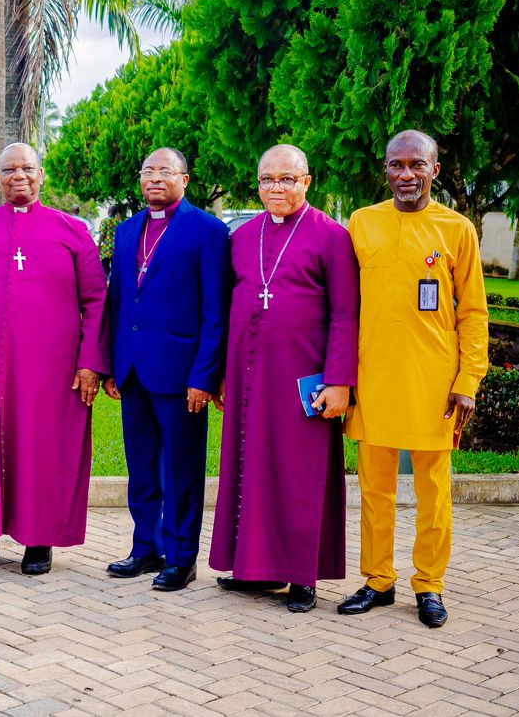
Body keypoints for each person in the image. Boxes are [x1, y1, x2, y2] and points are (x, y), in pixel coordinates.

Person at [0, 143, 107, 576]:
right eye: (9, 170)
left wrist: (90, 363)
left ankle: (39, 539)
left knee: (42, 446)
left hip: (50, 370)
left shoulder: (72, 231)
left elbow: (97, 299)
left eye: (27, 168)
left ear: (41, 175)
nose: (19, 176)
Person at [339, 130, 488, 628]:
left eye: (416, 166)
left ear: (434, 171)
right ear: (385, 170)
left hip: (434, 384)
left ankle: (430, 584)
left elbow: (473, 314)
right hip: (373, 378)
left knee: (433, 492)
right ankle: (378, 580)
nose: (406, 175)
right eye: (396, 165)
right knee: (375, 490)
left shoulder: (458, 230)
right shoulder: (361, 224)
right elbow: (342, 308)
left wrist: (468, 380)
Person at [208, 145, 358, 613]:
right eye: (268, 179)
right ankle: (256, 568)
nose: (276, 187)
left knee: (299, 475)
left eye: (287, 179)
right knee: (251, 469)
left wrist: (339, 382)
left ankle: (302, 576)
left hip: (303, 380)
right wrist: (222, 376)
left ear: (307, 182)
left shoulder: (332, 237)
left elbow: (345, 315)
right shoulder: (241, 236)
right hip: (249, 376)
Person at [104, 148, 230, 591]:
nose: (155, 179)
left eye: (165, 172)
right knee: (140, 465)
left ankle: (180, 557)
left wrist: (204, 376)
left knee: (181, 468)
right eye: (148, 172)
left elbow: (217, 312)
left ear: (185, 179)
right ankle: (145, 547)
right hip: (134, 369)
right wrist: (111, 365)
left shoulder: (208, 231)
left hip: (182, 375)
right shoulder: (126, 231)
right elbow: (118, 301)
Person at [97, 205, 125, 279]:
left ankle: (106, 281)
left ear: (108, 211)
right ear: (115, 212)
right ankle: (113, 282)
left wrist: (99, 246)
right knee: (114, 268)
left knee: (105, 268)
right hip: (116, 249)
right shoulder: (119, 222)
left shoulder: (104, 221)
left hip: (106, 249)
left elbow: (102, 235)